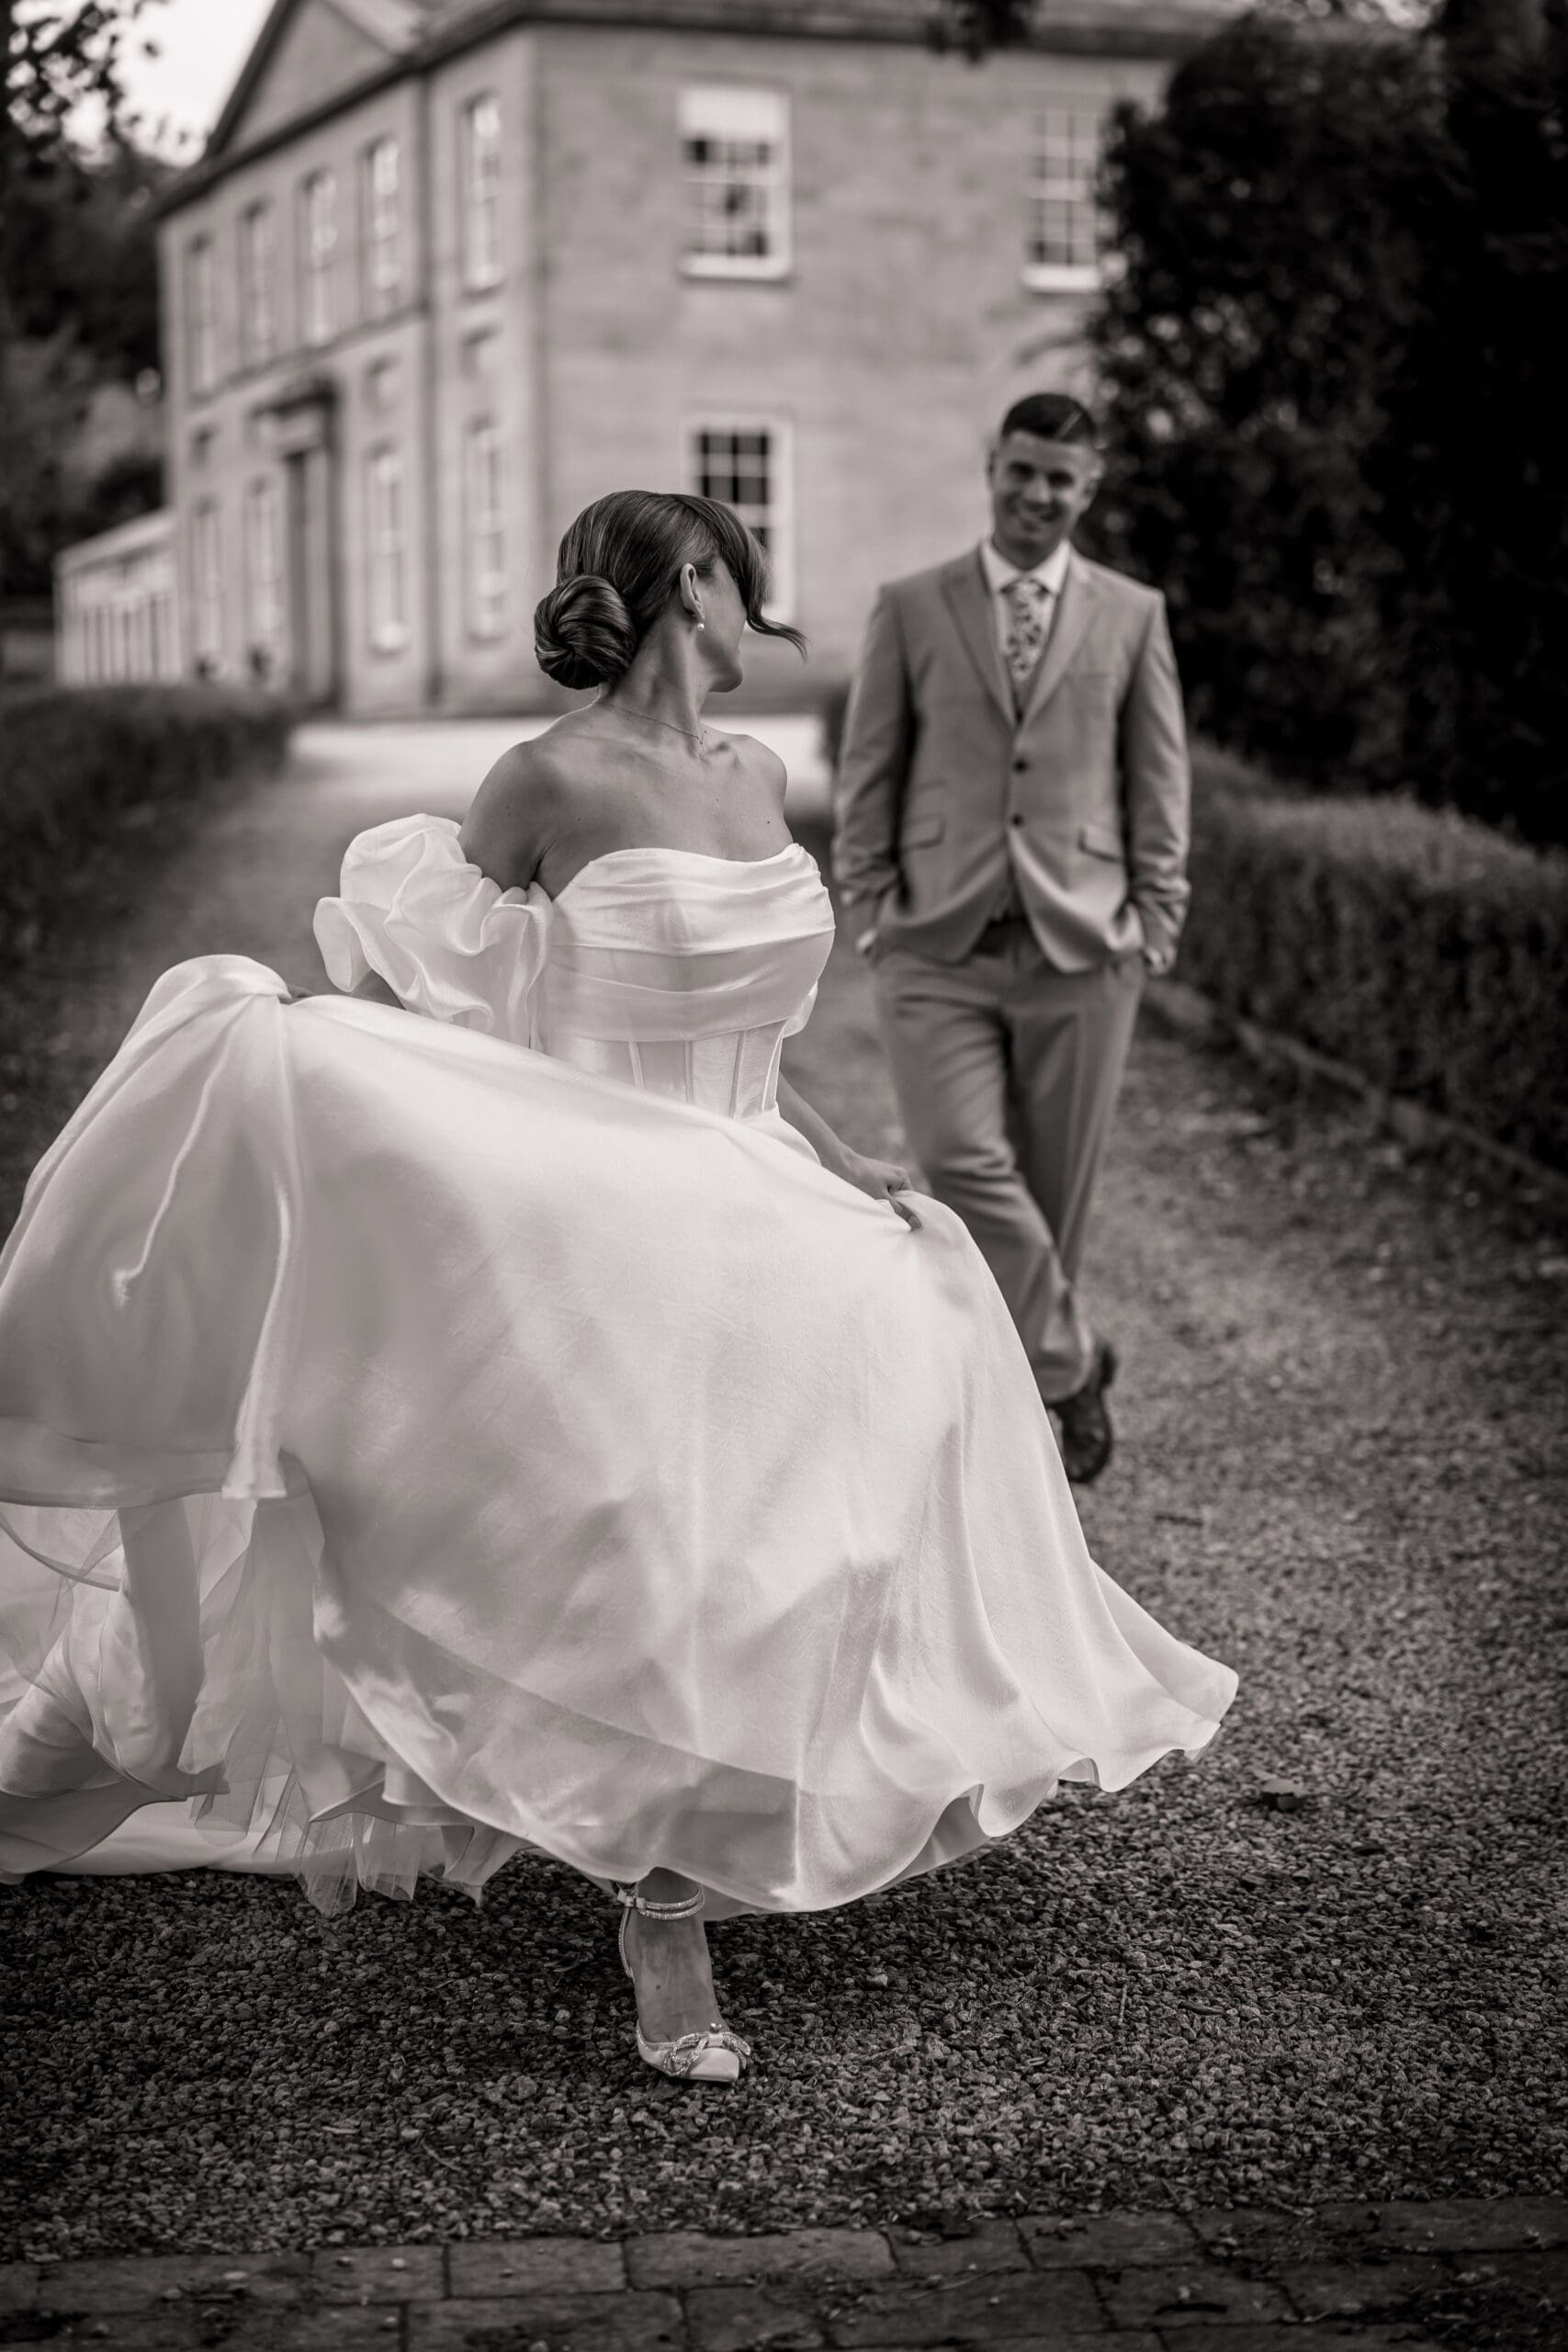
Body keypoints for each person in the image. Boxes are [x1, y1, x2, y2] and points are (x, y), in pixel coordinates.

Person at [0, 492, 1234, 2088]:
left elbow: (758, 1040)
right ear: (683, 587)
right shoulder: (544, 777)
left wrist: (850, 1159)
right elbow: (429, 995)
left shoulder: (757, 774)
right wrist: (393, 1119)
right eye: (734, 576)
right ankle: (658, 1915)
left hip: (751, 1176)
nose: (757, 605)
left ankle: (791, 1781)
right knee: (644, 1531)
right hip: (590, 1192)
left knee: (909, 1347)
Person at [833, 393, 1191, 1483]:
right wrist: (872, 906)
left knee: (1056, 1189)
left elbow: (1157, 775)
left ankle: (1013, 1417)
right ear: (993, 468)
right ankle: (1073, 1357)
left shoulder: (1132, 613)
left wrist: (1157, 922)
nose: (1037, 494)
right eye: (1022, 471)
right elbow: (870, 768)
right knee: (962, 1165)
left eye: (1061, 480)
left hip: (1087, 948)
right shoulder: (912, 604)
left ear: (1090, 490)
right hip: (936, 941)